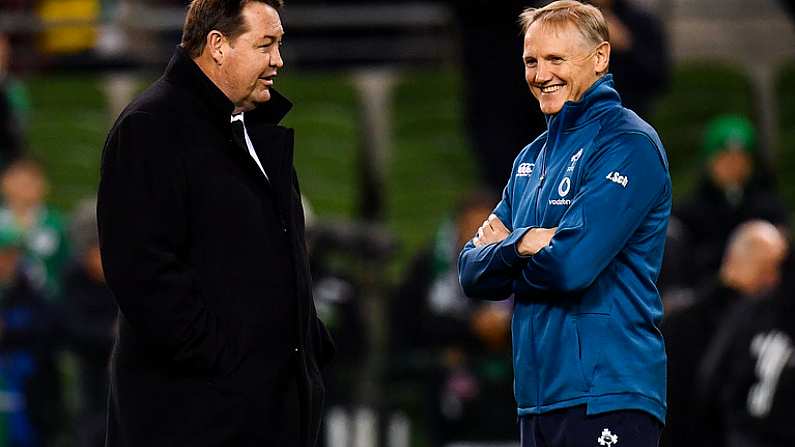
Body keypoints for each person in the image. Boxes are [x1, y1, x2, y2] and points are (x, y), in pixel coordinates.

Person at [96, 1, 334, 446]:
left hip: (264, 414)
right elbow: (143, 275)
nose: (278, 60)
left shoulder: (252, 126)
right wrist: (227, 364)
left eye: (279, 44)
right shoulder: (150, 128)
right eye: (265, 44)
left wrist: (305, 347)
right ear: (218, 46)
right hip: (192, 418)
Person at [457, 1, 671, 446]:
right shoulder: (530, 159)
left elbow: (571, 267)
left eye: (556, 59)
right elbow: (471, 273)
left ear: (600, 58)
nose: (540, 74)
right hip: (537, 399)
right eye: (531, 61)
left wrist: (509, 252)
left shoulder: (628, 144)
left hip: (607, 394)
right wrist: (524, 244)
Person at [662, 220, 789, 447]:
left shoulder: (678, 318)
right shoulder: (752, 325)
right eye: (768, 268)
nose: (774, 279)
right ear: (734, 260)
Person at [674, 114, 789, 287]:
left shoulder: (771, 209)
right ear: (709, 161)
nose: (733, 165)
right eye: (725, 158)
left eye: (740, 158)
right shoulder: (687, 214)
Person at [61, 198, 116, 447]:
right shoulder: (74, 278)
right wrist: (112, 333)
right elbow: (73, 329)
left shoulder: (128, 274)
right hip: (92, 375)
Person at [0, 159, 69, 299]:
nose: (24, 189)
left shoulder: (55, 222)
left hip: (45, 299)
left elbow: (65, 262)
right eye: (19, 182)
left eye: (31, 182)